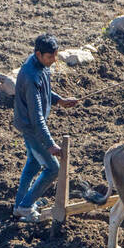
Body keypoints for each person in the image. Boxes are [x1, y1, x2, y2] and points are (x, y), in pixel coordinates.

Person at [12, 34, 78, 221]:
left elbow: (45, 89)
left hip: (30, 125)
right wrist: (50, 144)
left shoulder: (40, 66)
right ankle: (25, 206)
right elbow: (37, 117)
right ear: (38, 54)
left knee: (33, 162)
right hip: (32, 128)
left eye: (55, 56)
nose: (54, 60)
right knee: (53, 169)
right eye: (50, 57)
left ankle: (20, 205)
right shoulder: (30, 76)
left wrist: (60, 100)